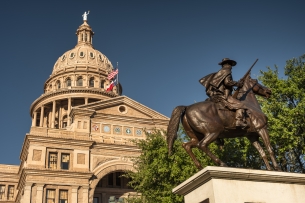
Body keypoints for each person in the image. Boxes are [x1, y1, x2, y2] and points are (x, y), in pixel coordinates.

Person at [199, 58, 247, 128]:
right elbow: (227, 83)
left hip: (215, 95)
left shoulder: (218, 73)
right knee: (240, 104)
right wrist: (237, 84)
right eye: (230, 65)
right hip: (223, 95)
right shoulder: (227, 71)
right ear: (227, 64)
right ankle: (239, 121)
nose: (231, 67)